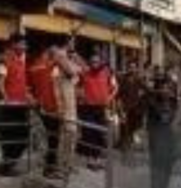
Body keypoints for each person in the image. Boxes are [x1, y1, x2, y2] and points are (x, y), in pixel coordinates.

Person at [0, 34, 32, 172]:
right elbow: (0, 84)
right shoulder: (5, 60)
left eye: (25, 44)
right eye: (22, 44)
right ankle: (6, 166)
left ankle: (9, 164)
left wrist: (29, 97)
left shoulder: (21, 62)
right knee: (11, 135)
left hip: (21, 105)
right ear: (14, 44)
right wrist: (6, 99)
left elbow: (22, 85)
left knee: (23, 135)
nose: (25, 47)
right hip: (11, 106)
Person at [27, 47, 62, 177]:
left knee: (45, 138)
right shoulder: (52, 67)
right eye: (58, 54)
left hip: (39, 106)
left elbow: (29, 88)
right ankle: (50, 169)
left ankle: (46, 166)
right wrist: (60, 108)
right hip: (51, 107)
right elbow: (55, 88)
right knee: (53, 139)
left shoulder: (33, 66)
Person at [79, 50, 117, 167]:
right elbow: (78, 86)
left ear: (100, 62)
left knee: (100, 133)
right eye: (92, 62)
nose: (94, 64)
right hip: (88, 108)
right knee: (89, 133)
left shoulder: (107, 73)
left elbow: (115, 87)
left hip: (101, 108)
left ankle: (97, 158)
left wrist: (109, 98)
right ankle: (90, 158)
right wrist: (81, 96)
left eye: (96, 62)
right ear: (89, 63)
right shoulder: (84, 73)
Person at [146, 76, 177, 188]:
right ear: (157, 89)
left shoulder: (173, 101)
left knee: (167, 170)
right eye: (163, 88)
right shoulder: (153, 101)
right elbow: (164, 117)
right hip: (156, 141)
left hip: (170, 140)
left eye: (168, 88)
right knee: (157, 170)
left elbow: (176, 118)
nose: (166, 90)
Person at [53, 45, 84, 176]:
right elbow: (72, 70)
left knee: (72, 138)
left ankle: (68, 165)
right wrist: (67, 57)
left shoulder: (69, 71)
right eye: (66, 55)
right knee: (64, 139)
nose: (68, 58)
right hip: (64, 110)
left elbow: (84, 69)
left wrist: (76, 57)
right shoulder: (57, 70)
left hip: (72, 109)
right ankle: (60, 168)